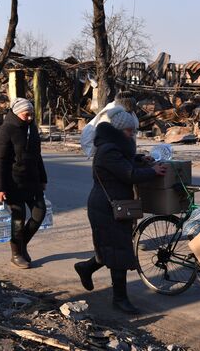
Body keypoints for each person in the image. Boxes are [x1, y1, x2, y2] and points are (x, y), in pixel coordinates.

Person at [74, 106, 166, 314]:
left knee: (114, 248)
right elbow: (129, 174)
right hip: (105, 207)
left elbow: (127, 163)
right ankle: (120, 299)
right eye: (129, 131)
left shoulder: (114, 147)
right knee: (118, 251)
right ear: (118, 131)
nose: (132, 135)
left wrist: (141, 159)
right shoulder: (108, 150)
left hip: (115, 204)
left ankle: (86, 268)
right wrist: (152, 171)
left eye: (133, 131)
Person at [0, 97, 47, 269]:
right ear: (17, 113)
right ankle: (16, 254)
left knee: (39, 213)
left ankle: (22, 244)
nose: (30, 118)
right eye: (27, 115)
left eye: (32, 114)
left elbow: (37, 155)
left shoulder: (31, 128)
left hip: (32, 181)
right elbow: (0, 161)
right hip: (13, 183)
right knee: (18, 219)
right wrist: (0, 188)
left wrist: (43, 178)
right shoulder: (6, 130)